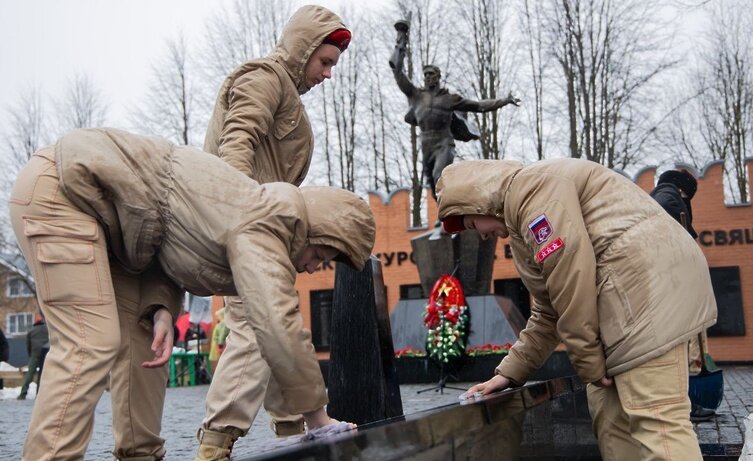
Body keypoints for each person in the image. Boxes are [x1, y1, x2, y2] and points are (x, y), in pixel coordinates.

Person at [9, 128, 375, 461]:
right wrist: (319, 419)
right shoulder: (271, 219)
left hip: (107, 223)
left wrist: (162, 307)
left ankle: (140, 456)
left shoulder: (254, 212)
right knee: (90, 342)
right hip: (62, 193)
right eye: (320, 256)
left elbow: (159, 235)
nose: (312, 268)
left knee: (143, 341)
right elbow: (278, 325)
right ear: (315, 231)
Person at [436, 158, 717, 460]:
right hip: (625, 301)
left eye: (470, 224)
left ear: (480, 203)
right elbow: (549, 310)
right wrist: (508, 373)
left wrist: (587, 360)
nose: (480, 234)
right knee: (610, 420)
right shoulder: (521, 222)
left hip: (647, 291)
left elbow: (571, 273)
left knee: (657, 422)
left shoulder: (532, 189)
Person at [200, 4, 352, 444]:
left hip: (253, 229)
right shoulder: (265, 78)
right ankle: (216, 445)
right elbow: (236, 144)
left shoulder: (280, 87)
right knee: (256, 329)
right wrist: (241, 215)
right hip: (244, 228)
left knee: (275, 327)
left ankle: (295, 433)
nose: (327, 74)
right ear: (303, 49)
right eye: (324, 61)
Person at [390, 22, 519, 201]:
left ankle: (448, 213)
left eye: (431, 74)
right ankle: (444, 216)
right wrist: (401, 39)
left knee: (439, 176)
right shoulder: (416, 95)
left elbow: (478, 106)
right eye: (426, 74)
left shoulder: (449, 99)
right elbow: (397, 72)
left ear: (438, 77)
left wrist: (504, 101)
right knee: (431, 184)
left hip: (444, 142)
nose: (428, 77)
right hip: (426, 143)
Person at [650, 169, 718, 421]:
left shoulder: (661, 196)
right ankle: (683, 405)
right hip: (673, 282)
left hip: (669, 282)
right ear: (682, 190)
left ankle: (683, 402)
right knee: (682, 343)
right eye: (689, 195)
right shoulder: (668, 197)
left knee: (684, 342)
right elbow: (664, 216)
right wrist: (686, 237)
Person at [650, 169, 698, 238]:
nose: (685, 202)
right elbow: (665, 204)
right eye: (686, 196)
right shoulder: (667, 195)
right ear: (681, 190)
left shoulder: (653, 198)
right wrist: (690, 236)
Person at [17, 314, 49, 399]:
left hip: (35, 353)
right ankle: (40, 393)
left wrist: (30, 355)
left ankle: (23, 394)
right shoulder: (48, 329)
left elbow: (28, 344)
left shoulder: (31, 331)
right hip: (46, 353)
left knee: (30, 373)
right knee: (45, 373)